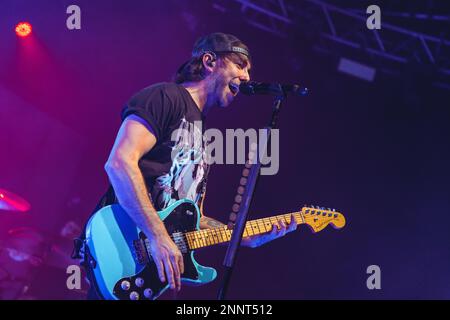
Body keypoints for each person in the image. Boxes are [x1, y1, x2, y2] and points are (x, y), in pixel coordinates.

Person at [85, 32, 297, 298]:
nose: (246, 77)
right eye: (240, 65)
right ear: (210, 61)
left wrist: (242, 236)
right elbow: (119, 163)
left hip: (158, 274)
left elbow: (196, 218)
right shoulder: (165, 97)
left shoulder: (204, 140)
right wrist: (159, 236)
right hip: (125, 251)